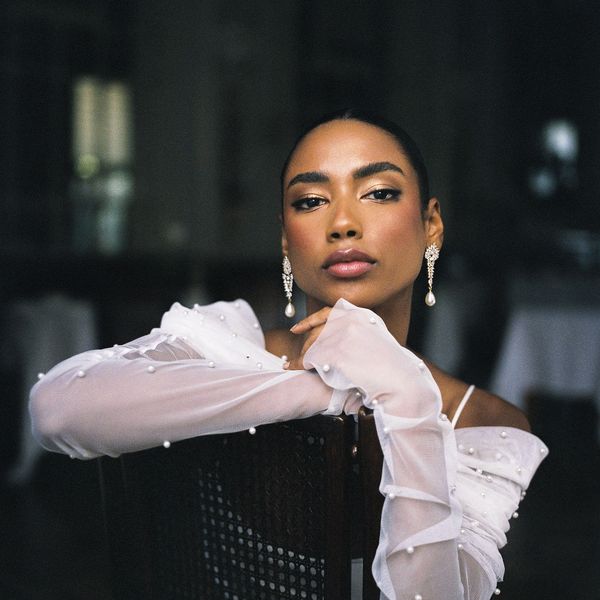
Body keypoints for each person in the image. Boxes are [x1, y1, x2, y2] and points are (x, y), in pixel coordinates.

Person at [29, 109, 548, 600]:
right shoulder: (229, 339)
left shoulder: (485, 424)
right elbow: (58, 410)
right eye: (311, 201)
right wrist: (321, 387)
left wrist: (405, 391)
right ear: (285, 239)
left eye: (379, 192)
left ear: (430, 224)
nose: (343, 222)